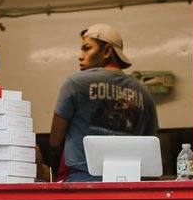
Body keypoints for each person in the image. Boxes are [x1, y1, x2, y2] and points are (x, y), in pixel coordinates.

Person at [48, 23, 159, 181]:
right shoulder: (144, 94)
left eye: (87, 48)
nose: (80, 55)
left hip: (81, 184)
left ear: (107, 51)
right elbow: (151, 149)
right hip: (129, 187)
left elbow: (54, 143)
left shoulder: (76, 83)